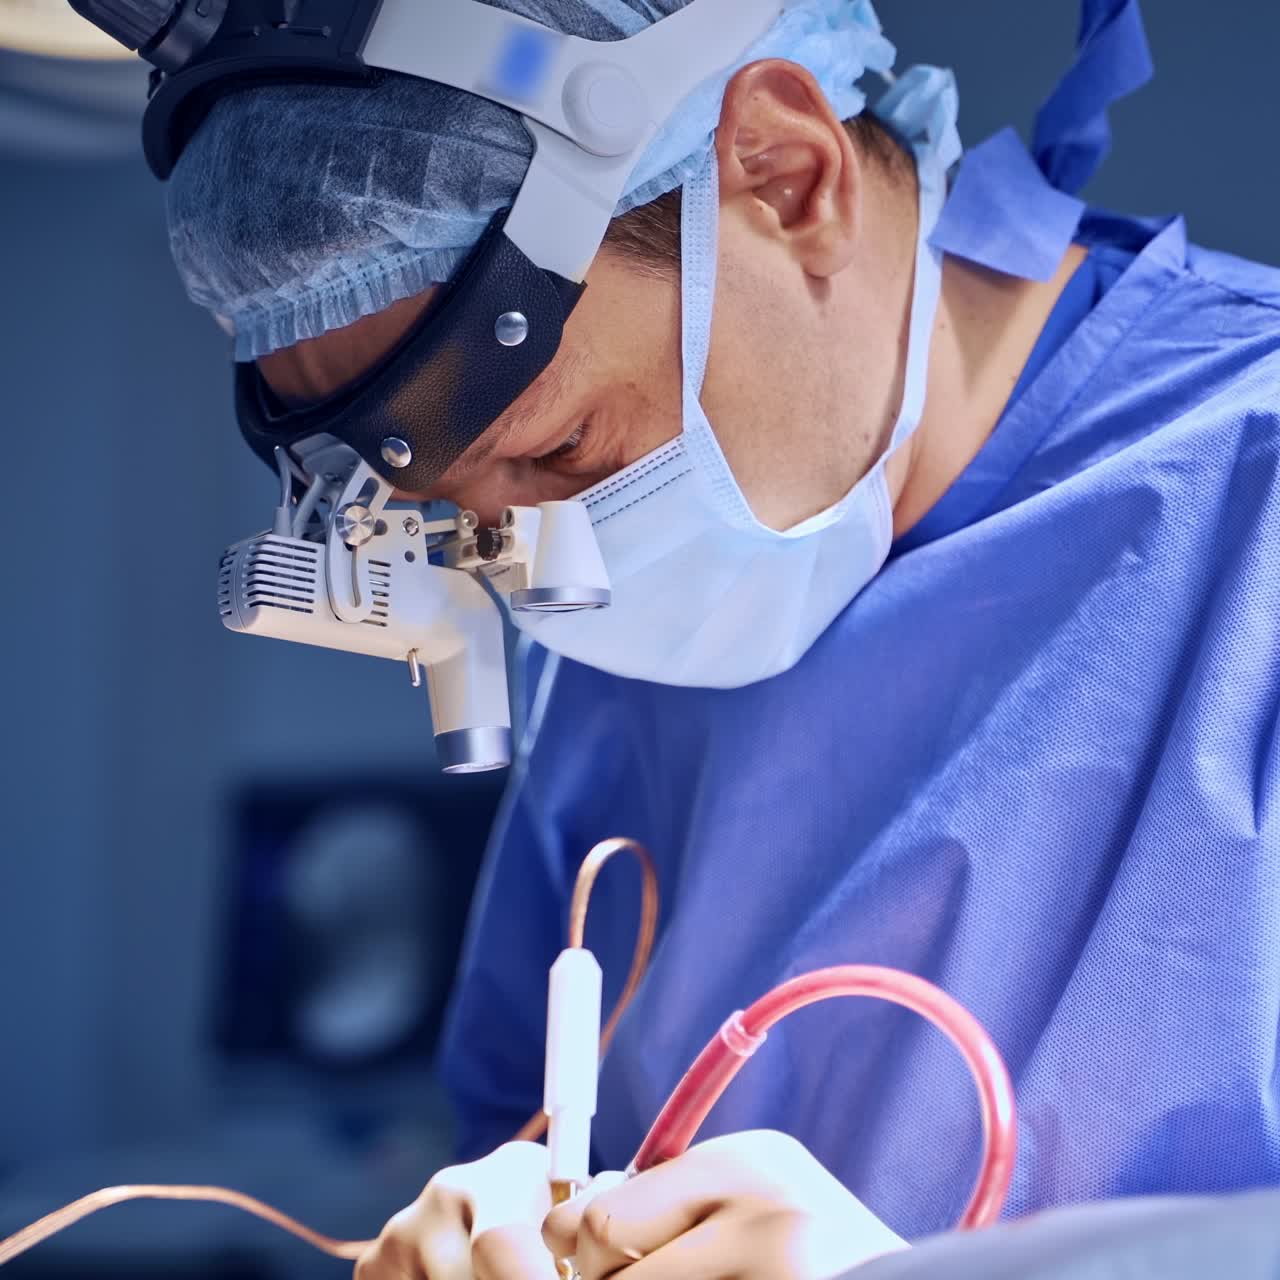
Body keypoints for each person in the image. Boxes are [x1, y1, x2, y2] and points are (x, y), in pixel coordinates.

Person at [154, 0, 1280, 1274]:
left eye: (556, 450)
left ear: (786, 178)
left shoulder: (1249, 519)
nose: (538, 570)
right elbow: (537, 1127)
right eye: (462, 517)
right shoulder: (622, 637)